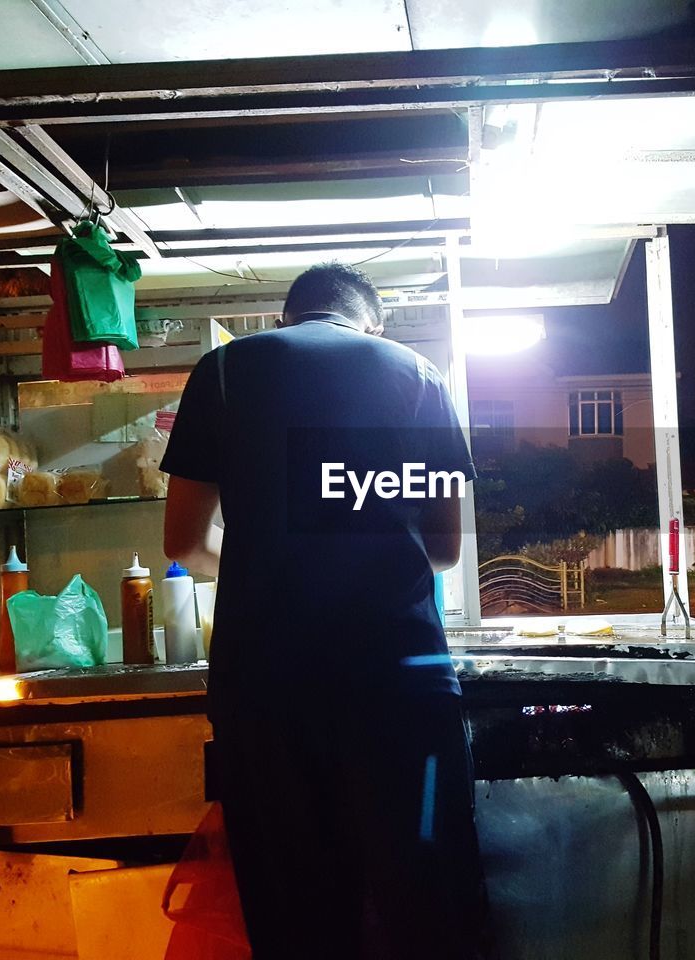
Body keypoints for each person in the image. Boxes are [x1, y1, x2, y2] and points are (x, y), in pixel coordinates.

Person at [161, 262, 489, 960]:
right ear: (372, 324)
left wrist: (255, 563)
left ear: (287, 317)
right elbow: (443, 547)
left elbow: (186, 543)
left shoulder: (221, 373)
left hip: (265, 696)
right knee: (426, 913)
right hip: (399, 690)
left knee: (296, 921)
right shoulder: (418, 377)